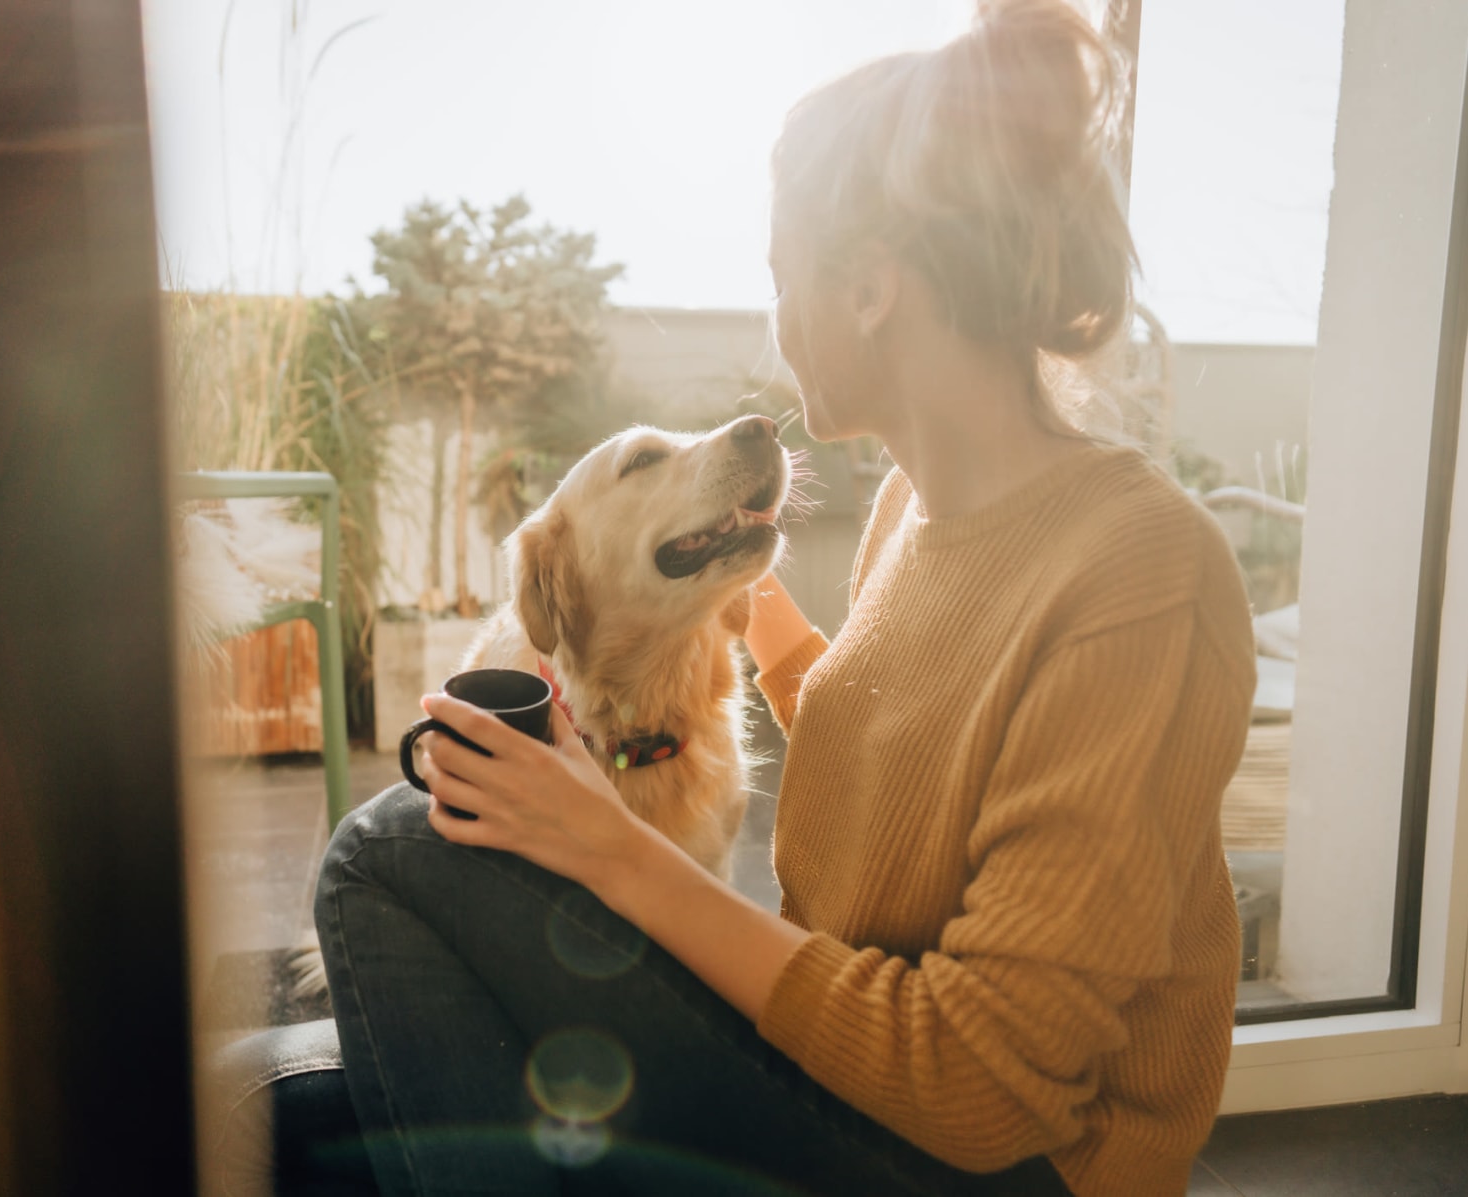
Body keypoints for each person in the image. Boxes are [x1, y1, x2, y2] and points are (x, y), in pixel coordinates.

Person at [313, 2, 1256, 1193]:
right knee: (298, 1114)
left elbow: (977, 1084)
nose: (776, 319)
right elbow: (918, 761)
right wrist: (722, 599)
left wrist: (606, 844)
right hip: (848, 1070)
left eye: (779, 275)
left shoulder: (1141, 571)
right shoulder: (919, 510)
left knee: (379, 857)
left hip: (997, 1160)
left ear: (868, 289)